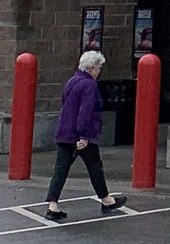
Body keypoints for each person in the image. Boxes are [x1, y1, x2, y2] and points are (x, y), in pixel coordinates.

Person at [43, 49, 123, 219]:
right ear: (92, 68)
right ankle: (106, 200)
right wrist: (84, 136)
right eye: (99, 68)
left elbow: (66, 105)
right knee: (95, 167)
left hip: (64, 132)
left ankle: (53, 204)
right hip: (80, 135)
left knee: (61, 169)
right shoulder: (89, 85)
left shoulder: (72, 81)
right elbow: (86, 111)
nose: (99, 71)